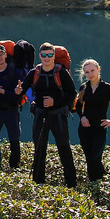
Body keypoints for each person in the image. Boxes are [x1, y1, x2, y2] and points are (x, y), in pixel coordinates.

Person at [22, 43, 77, 188]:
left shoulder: (62, 72)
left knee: (64, 148)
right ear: (40, 56)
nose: (47, 58)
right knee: (40, 149)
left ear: (54, 56)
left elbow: (72, 93)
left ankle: (71, 184)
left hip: (58, 115)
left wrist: (55, 101)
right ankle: (38, 182)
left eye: (50, 55)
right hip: (40, 115)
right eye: (44, 55)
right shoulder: (35, 72)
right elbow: (23, 89)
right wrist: (17, 91)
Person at [73, 58, 110, 182]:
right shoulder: (83, 88)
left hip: (99, 128)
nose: (90, 74)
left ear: (98, 69)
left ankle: (101, 183)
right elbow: (79, 106)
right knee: (89, 158)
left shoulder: (107, 88)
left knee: (95, 157)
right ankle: (94, 186)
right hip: (85, 129)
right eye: (87, 72)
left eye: (92, 70)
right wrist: (82, 117)